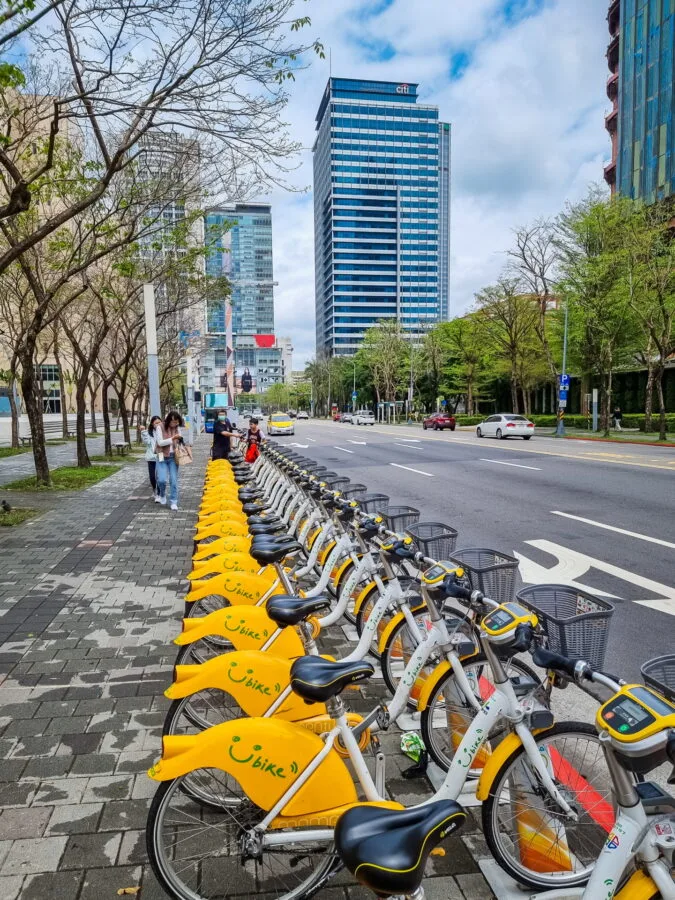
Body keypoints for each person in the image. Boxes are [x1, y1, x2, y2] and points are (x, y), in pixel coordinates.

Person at [155, 411, 184, 510]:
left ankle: (173, 501)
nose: (175, 424)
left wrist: (180, 440)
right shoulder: (160, 427)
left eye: (177, 422)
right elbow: (159, 443)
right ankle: (162, 494)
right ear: (168, 420)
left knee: (173, 480)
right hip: (161, 455)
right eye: (174, 422)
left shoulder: (178, 428)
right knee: (161, 479)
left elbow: (179, 440)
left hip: (173, 457)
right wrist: (173, 438)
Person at [141, 415, 162, 501]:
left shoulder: (163, 431)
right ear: (152, 424)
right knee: (152, 477)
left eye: (159, 422)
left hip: (161, 455)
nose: (158, 424)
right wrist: (143, 432)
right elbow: (146, 442)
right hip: (151, 457)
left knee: (160, 477)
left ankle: (160, 494)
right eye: (156, 423)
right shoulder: (149, 432)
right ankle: (155, 490)